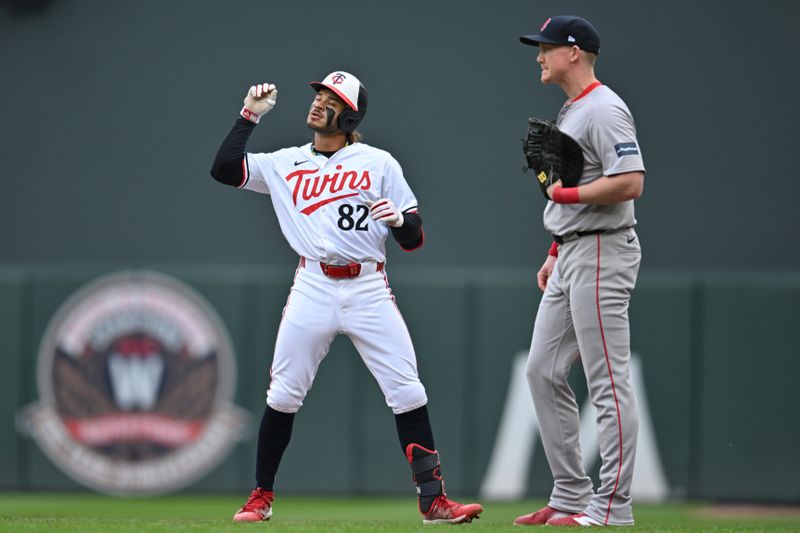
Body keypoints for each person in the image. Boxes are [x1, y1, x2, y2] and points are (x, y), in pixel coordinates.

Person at [209, 70, 483, 525]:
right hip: (313, 285)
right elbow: (224, 170)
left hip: (368, 287)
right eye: (317, 94)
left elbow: (414, 240)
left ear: (350, 113)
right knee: (284, 394)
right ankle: (261, 496)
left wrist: (399, 221)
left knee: (407, 390)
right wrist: (247, 117)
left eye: (329, 97)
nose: (318, 102)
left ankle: (433, 501)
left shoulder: (380, 164)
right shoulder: (286, 162)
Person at [513, 16, 646, 527]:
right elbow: (576, 185)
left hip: (602, 250)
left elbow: (630, 182)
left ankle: (612, 507)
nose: (539, 56)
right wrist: (554, 247)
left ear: (573, 51)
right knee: (541, 370)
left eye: (546, 47)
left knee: (608, 382)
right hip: (572, 249)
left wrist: (567, 196)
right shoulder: (573, 108)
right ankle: (570, 494)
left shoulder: (605, 109)